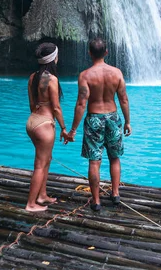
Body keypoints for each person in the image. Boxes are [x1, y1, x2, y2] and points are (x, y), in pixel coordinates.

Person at [66, 38, 131, 211]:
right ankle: (115, 194)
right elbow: (123, 99)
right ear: (107, 52)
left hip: (94, 118)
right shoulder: (116, 73)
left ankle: (96, 201)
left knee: (94, 162)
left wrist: (73, 130)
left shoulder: (85, 76)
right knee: (114, 158)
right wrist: (128, 122)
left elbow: (81, 104)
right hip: (113, 118)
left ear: (89, 53)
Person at [25, 42, 70, 212]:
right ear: (53, 59)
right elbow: (56, 108)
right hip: (44, 124)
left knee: (46, 160)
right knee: (40, 164)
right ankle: (30, 204)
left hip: (32, 121)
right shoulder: (51, 79)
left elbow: (31, 104)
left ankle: (42, 195)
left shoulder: (33, 77)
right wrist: (64, 129)